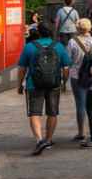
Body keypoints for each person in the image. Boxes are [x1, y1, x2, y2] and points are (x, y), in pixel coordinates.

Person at [16, 20, 71, 155]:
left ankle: (39, 139)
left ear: (38, 31)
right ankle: (48, 139)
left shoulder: (29, 46)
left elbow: (22, 68)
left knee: (34, 112)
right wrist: (64, 83)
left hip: (34, 84)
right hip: (54, 84)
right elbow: (66, 67)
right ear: (52, 32)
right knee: (52, 112)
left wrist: (19, 85)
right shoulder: (58, 46)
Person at [65, 19, 92, 143]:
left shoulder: (73, 42)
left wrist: (63, 80)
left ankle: (82, 132)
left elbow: (68, 61)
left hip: (78, 76)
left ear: (77, 29)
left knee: (81, 104)